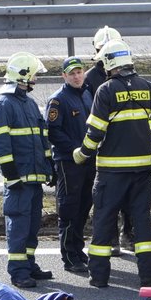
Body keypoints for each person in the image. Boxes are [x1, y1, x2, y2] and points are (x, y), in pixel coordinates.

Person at [73, 39, 151, 288]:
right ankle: (149, 275)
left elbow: (95, 132)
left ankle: (99, 277)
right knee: (142, 223)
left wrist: (82, 154)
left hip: (111, 173)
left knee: (104, 222)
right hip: (141, 172)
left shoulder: (105, 90)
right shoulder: (147, 87)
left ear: (109, 63)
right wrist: (149, 140)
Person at [0, 52, 55, 289]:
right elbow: (1, 143)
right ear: (23, 76)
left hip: (34, 177)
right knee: (18, 225)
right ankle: (18, 272)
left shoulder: (28, 103)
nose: (36, 79)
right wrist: (10, 174)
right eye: (34, 75)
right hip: (18, 179)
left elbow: (41, 137)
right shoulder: (4, 104)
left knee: (32, 224)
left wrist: (50, 168)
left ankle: (28, 264)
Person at [84, 25, 132, 256]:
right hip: (102, 147)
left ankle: (129, 234)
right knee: (106, 198)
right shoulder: (90, 79)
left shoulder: (129, 75)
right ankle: (111, 238)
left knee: (130, 197)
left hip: (125, 143)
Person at [47, 56, 95, 273]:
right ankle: (69, 256)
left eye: (79, 72)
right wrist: (75, 150)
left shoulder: (87, 93)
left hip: (88, 160)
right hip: (69, 162)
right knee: (69, 208)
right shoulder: (58, 100)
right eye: (72, 73)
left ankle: (78, 249)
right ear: (64, 76)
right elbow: (53, 132)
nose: (77, 76)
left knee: (85, 206)